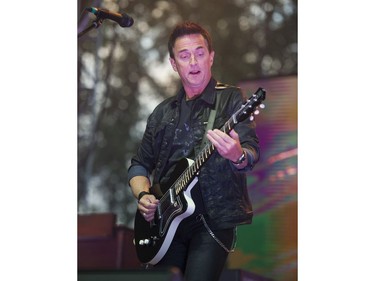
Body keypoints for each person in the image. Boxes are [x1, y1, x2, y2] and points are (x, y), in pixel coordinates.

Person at [128, 21, 260, 281]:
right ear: (173, 64)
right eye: (184, 55)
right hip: (164, 225)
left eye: (200, 53)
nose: (193, 62)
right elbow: (139, 165)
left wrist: (237, 155)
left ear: (211, 57)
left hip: (211, 222)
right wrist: (143, 194)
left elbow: (251, 152)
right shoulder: (161, 113)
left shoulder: (232, 100)